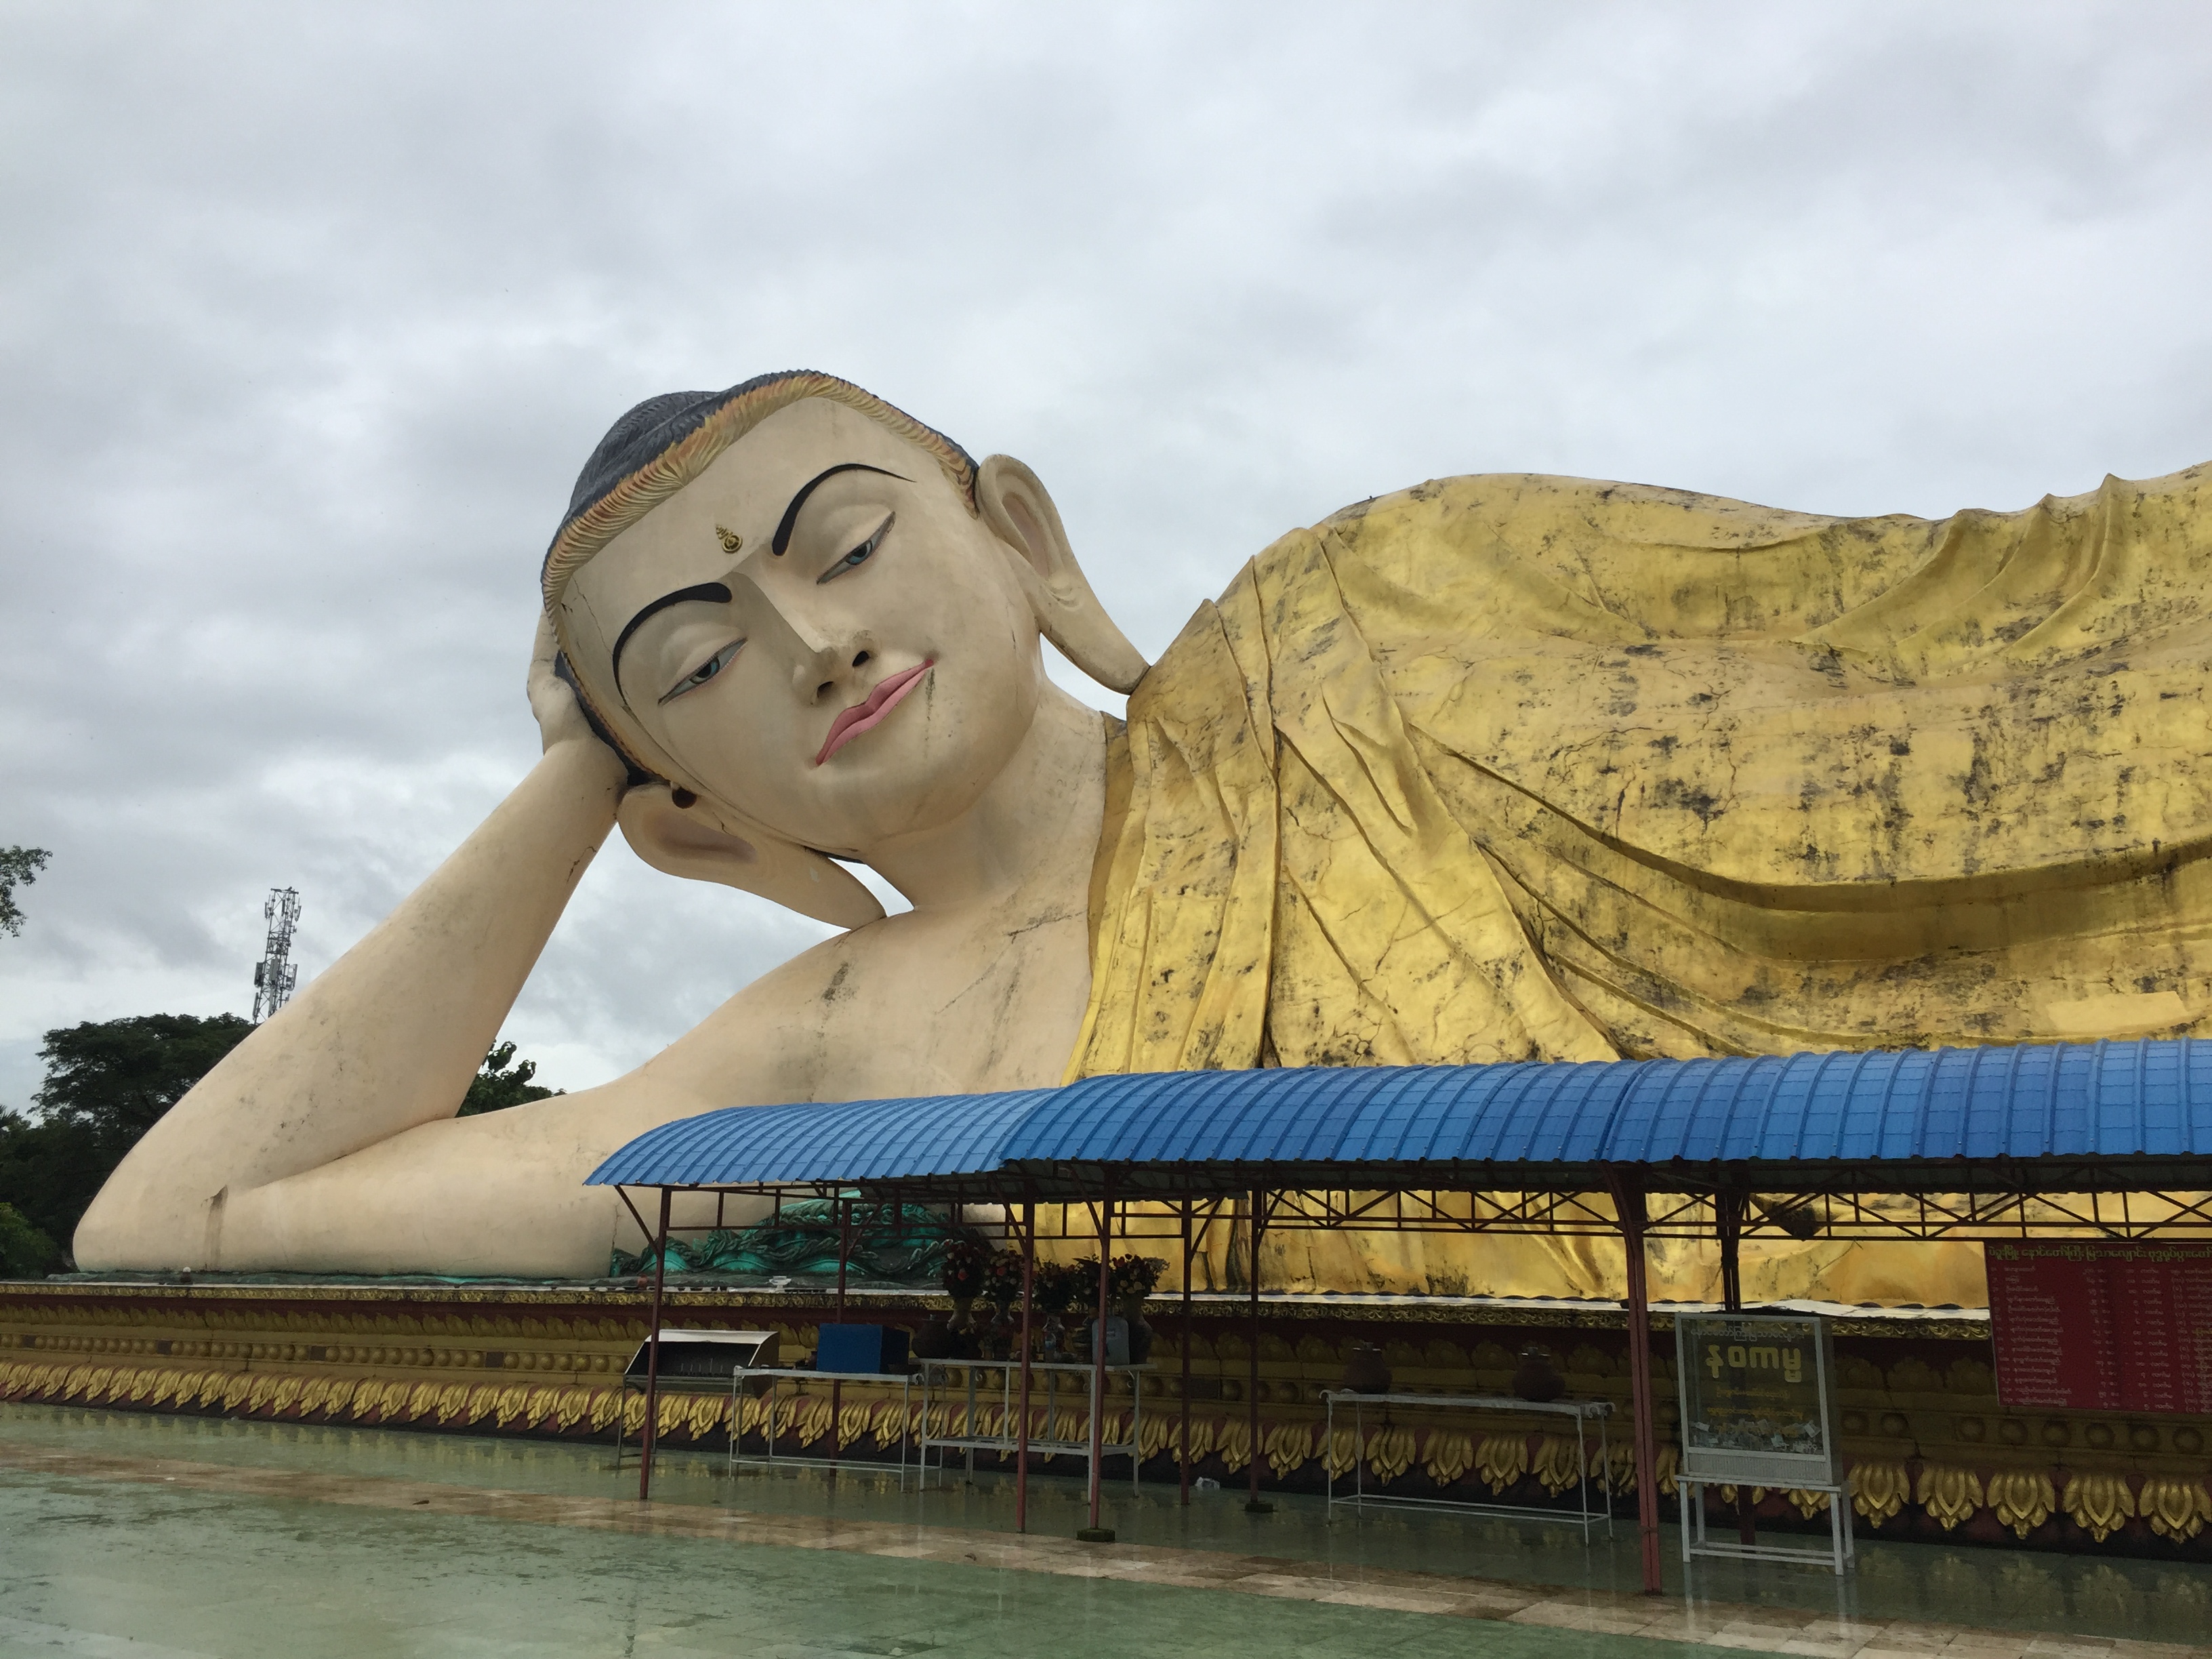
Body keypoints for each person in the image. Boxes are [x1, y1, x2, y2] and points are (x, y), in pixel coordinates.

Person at [76, 372, 2212, 1303]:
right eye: (695, 662)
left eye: (840, 537)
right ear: (684, 789)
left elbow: (1977, 633)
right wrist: (566, 784)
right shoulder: (818, 1042)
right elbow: (177, 1227)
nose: (814, 642)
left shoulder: (1372, 625)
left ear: (1016, 529)